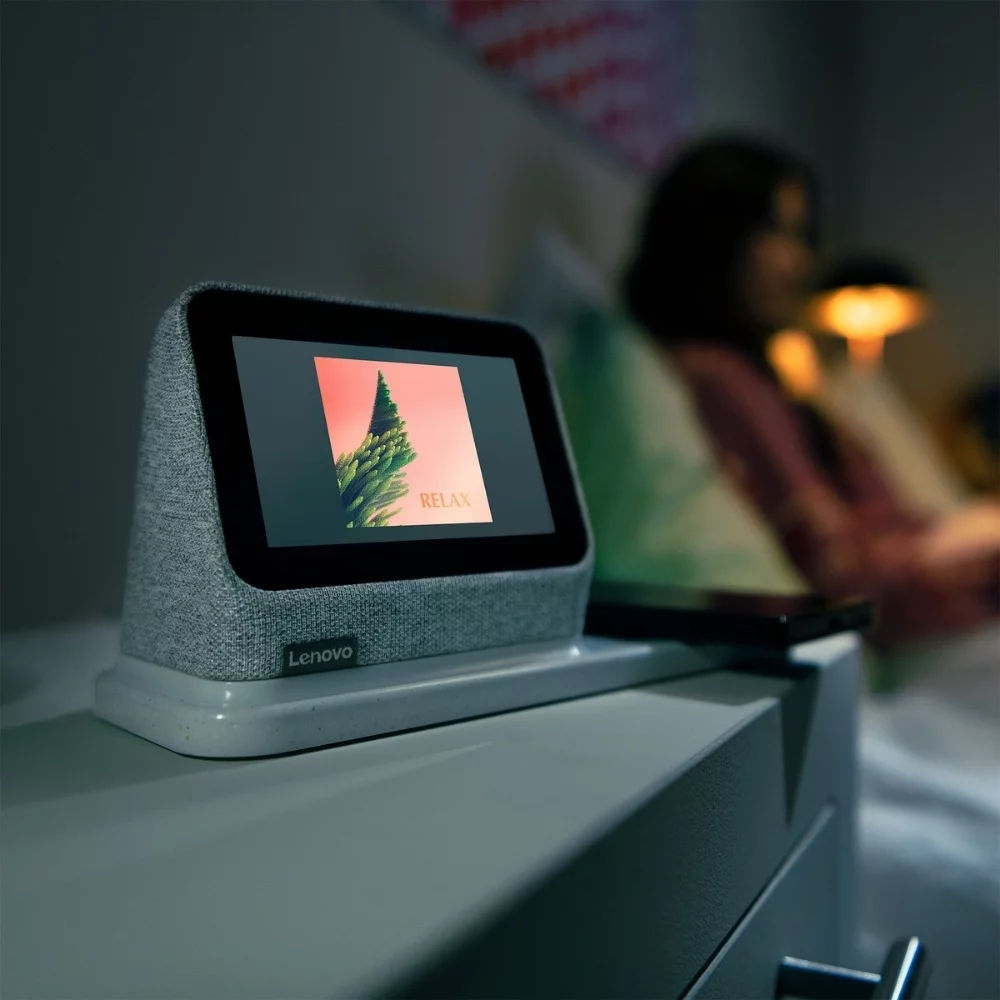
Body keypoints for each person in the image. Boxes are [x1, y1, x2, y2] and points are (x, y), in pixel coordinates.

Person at [619, 136, 999, 651]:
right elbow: (839, 568)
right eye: (780, 233)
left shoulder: (772, 380)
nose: (799, 261)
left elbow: (884, 518)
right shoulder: (718, 379)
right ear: (716, 235)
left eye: (802, 237)